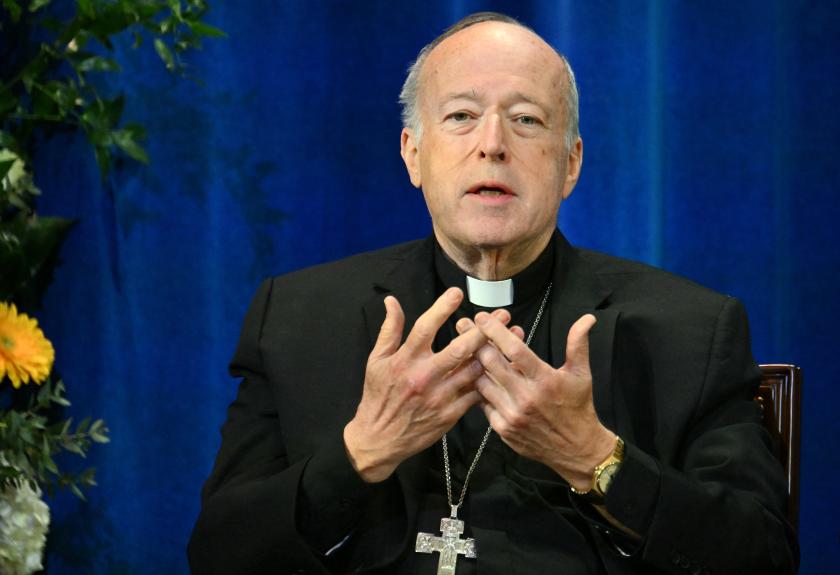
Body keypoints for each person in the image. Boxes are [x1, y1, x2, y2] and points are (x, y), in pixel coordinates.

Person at [188, 12, 798, 575]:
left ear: (570, 165)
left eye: (527, 119)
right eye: (460, 116)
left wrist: (596, 459)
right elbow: (219, 555)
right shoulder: (297, 318)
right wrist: (361, 452)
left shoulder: (688, 331)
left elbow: (762, 557)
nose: (492, 144)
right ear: (413, 155)